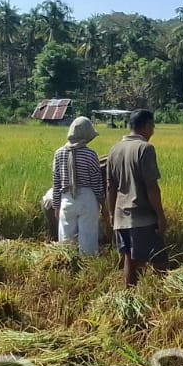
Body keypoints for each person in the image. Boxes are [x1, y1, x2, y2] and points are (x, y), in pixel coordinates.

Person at [106, 109, 169, 286]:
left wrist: (111, 214)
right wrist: (160, 216)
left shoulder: (115, 149)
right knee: (159, 261)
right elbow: (151, 186)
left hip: (120, 217)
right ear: (147, 125)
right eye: (153, 126)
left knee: (130, 260)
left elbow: (110, 187)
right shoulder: (145, 148)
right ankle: (161, 298)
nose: (153, 131)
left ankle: (129, 298)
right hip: (141, 217)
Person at [52, 117, 104, 255]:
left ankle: (66, 266)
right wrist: (101, 201)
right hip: (87, 198)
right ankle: (87, 268)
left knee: (66, 242)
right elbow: (96, 182)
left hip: (66, 199)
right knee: (88, 240)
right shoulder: (90, 154)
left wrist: (56, 205)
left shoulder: (59, 153)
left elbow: (56, 182)